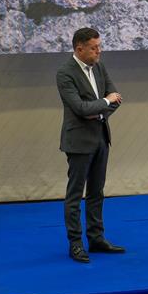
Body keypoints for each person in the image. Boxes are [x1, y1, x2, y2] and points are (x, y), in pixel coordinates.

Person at [57, 27, 124, 263]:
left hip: (101, 137)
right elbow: (80, 108)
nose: (99, 51)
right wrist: (103, 102)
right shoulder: (65, 73)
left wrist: (98, 111)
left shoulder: (100, 67)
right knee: (75, 195)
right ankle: (75, 243)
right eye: (94, 48)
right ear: (79, 48)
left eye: (99, 46)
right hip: (78, 142)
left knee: (97, 192)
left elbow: (116, 98)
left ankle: (96, 238)